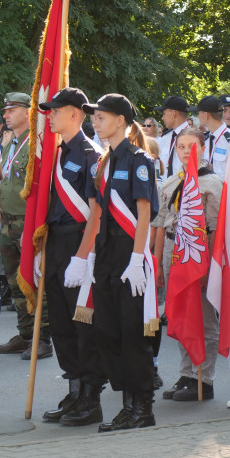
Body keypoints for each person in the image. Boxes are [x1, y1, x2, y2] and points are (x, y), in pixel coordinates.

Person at [71, 94, 159, 432]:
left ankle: (142, 407)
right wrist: (86, 257)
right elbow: (96, 213)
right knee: (106, 331)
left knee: (132, 333)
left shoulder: (140, 160)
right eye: (94, 117)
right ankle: (127, 403)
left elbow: (144, 213)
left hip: (130, 256)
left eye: (102, 117)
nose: (96, 122)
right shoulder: (102, 164)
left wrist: (138, 258)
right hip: (105, 256)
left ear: (121, 120)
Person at [38, 88, 105, 425]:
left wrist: (82, 256)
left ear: (75, 114)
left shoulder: (92, 155)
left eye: (55, 110)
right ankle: (74, 389)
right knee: (61, 322)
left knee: (83, 323)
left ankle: (91, 398)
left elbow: (96, 211)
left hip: (80, 243)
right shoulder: (56, 153)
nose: (50, 115)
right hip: (56, 242)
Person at [152, 129, 223, 402]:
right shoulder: (172, 182)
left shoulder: (212, 184)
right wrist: (158, 264)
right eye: (180, 146)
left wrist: (210, 267)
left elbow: (215, 229)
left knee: (203, 316)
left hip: (197, 253)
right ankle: (186, 373)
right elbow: (160, 225)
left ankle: (204, 377)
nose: (185, 151)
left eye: (191, 146)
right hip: (172, 249)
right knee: (180, 312)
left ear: (202, 148)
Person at [0, 92, 48, 360]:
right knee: (15, 282)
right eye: (5, 110)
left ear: (28, 111)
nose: (5, 115)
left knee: (34, 279)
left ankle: (44, 337)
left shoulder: (34, 144)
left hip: (27, 223)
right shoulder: (12, 143)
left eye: (11, 110)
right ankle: (26, 334)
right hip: (7, 224)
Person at [196, 95, 230, 201]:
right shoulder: (207, 138)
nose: (198, 116)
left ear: (205, 115)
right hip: (206, 196)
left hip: (224, 199)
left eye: (199, 113)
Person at [154, 96, 190, 180]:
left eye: (164, 114)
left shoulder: (193, 137)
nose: (162, 118)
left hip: (183, 189)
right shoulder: (166, 137)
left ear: (174, 113)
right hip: (165, 189)